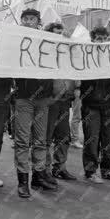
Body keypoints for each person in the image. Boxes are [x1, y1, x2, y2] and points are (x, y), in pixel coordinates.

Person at [13, 8, 57, 198]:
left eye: (32, 19)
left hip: (43, 99)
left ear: (38, 22)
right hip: (24, 98)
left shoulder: (48, 41)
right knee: (22, 141)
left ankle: (38, 177)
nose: (29, 21)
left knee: (40, 140)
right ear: (21, 21)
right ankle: (22, 181)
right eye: (26, 19)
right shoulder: (15, 41)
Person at [80, 26, 110, 183]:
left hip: (109, 105)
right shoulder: (84, 58)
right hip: (90, 105)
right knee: (91, 140)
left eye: (105, 39)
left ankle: (107, 170)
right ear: (92, 40)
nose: (102, 42)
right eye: (98, 39)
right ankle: (90, 171)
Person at [42, 22, 77, 181]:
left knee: (63, 137)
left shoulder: (67, 51)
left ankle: (60, 168)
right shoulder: (44, 52)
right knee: (46, 138)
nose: (59, 37)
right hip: (49, 102)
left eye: (61, 34)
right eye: (56, 34)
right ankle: (45, 170)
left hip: (64, 101)